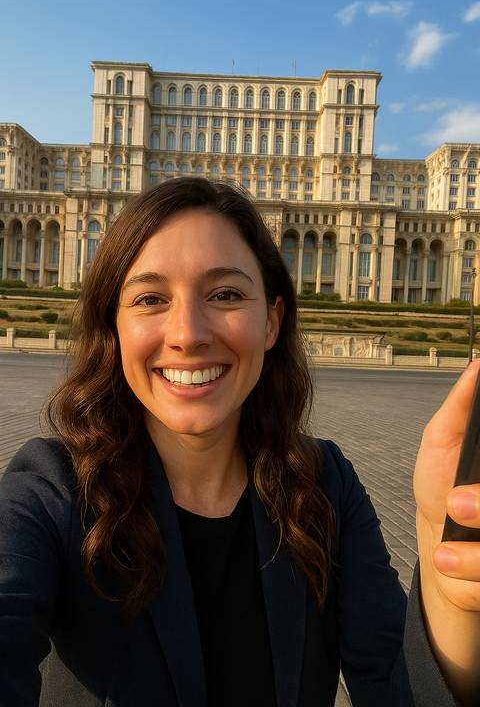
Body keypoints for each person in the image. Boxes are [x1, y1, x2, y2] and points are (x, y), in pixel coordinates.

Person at [0, 177, 479, 707]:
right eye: (150, 298)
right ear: (113, 326)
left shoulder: (325, 486)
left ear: (272, 321)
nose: (188, 333)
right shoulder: (52, 491)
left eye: (225, 294)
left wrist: (445, 566)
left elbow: (398, 688)